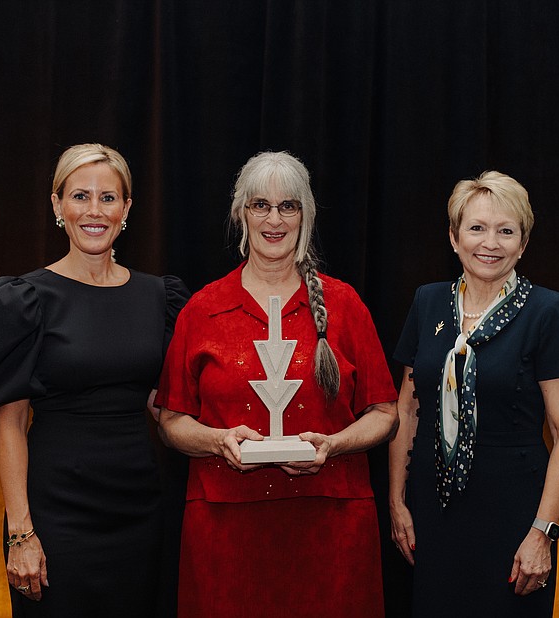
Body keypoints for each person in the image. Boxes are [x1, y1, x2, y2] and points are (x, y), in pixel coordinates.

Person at [154, 151, 398, 617]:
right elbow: (171, 420)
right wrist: (216, 439)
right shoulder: (203, 310)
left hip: (332, 529)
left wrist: (334, 443)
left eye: (288, 206)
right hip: (226, 530)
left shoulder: (345, 305)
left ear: (305, 214)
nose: (274, 219)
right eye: (260, 205)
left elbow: (385, 413)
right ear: (240, 213)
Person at [0, 143, 189, 616]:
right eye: (80, 196)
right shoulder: (25, 299)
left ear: (126, 208)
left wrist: (222, 436)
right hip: (55, 515)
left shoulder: (159, 297)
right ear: (57, 204)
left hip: (139, 511)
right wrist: (21, 533)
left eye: (108, 198)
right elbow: (11, 424)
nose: (94, 210)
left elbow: (165, 409)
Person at [388, 170, 559, 616]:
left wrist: (542, 532)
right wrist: (396, 500)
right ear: (454, 238)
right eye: (477, 228)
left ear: (523, 243)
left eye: (505, 231)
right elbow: (408, 407)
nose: (489, 243)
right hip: (434, 511)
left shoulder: (547, 312)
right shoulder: (427, 302)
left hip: (515, 516)